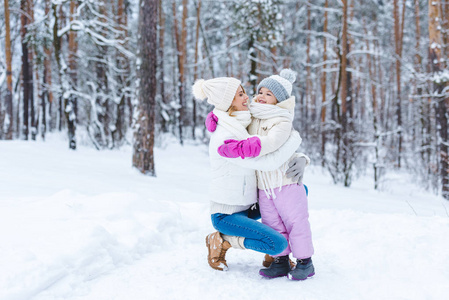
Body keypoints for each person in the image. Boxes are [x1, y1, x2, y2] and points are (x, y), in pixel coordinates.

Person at [192, 77, 308, 273]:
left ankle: (278, 252)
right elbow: (269, 161)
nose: (248, 96)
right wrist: (295, 139)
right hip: (227, 214)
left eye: (244, 91)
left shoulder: (242, 120)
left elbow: (273, 136)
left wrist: (302, 157)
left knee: (298, 192)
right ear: (229, 102)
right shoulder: (226, 138)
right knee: (276, 244)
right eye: (240, 94)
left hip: (247, 205)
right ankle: (223, 240)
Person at [216, 69, 315, 281]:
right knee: (273, 224)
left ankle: (305, 262)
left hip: (286, 182)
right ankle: (280, 260)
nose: (261, 96)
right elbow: (232, 116)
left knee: (296, 222)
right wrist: (215, 118)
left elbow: (272, 144)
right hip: (264, 187)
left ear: (279, 100)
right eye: (260, 91)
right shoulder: (253, 116)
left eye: (268, 94)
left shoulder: (282, 120)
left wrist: (243, 147)